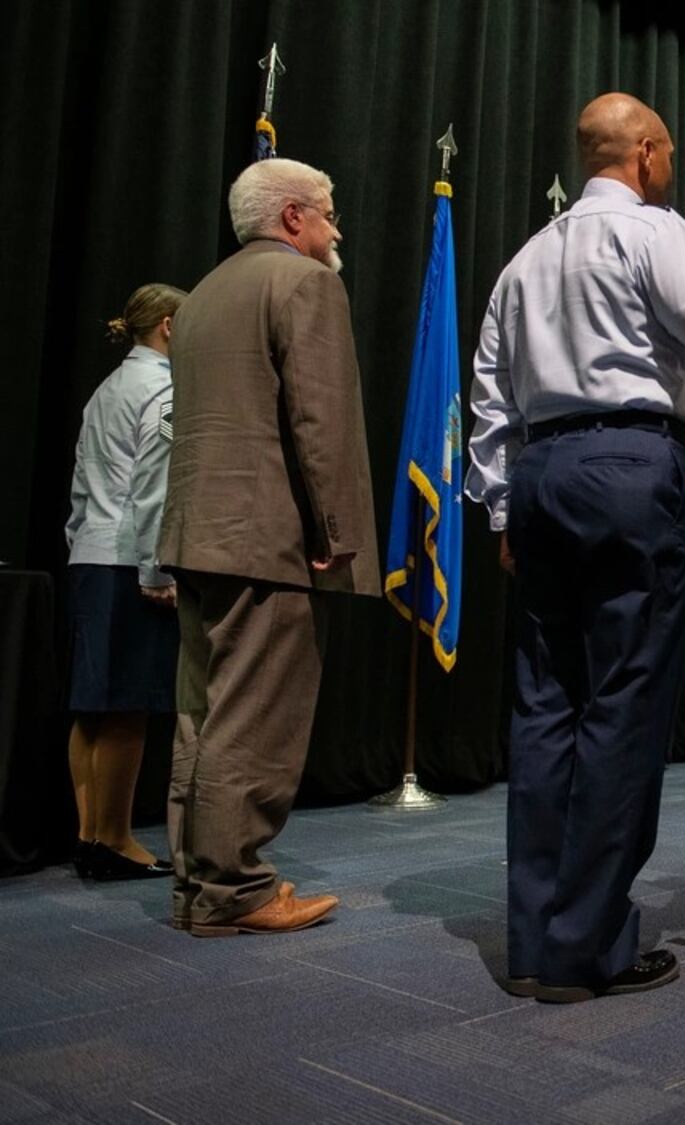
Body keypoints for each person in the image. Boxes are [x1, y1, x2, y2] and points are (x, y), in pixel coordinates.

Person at [466, 93, 685, 1003]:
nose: (673, 165)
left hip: (541, 477)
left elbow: (490, 406)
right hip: (635, 466)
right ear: (644, 154)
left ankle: (535, 940)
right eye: (669, 151)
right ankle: (585, 949)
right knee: (624, 703)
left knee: (545, 707)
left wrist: (500, 513)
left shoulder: (520, 262)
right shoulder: (656, 231)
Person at [161, 157, 380, 934]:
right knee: (255, 717)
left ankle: (197, 884)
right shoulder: (305, 284)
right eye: (327, 213)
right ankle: (237, 890)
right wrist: (337, 534)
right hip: (270, 542)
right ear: (292, 217)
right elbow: (319, 424)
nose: (336, 229)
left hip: (199, 533)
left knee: (203, 714)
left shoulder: (201, 297)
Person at [63, 283, 187, 882]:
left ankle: (89, 835)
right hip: (127, 561)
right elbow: (153, 485)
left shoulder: (106, 388)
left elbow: (81, 486)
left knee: (91, 708)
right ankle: (113, 840)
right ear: (167, 326)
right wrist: (155, 569)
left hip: (91, 555)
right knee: (126, 708)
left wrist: (81, 543)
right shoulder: (162, 386)